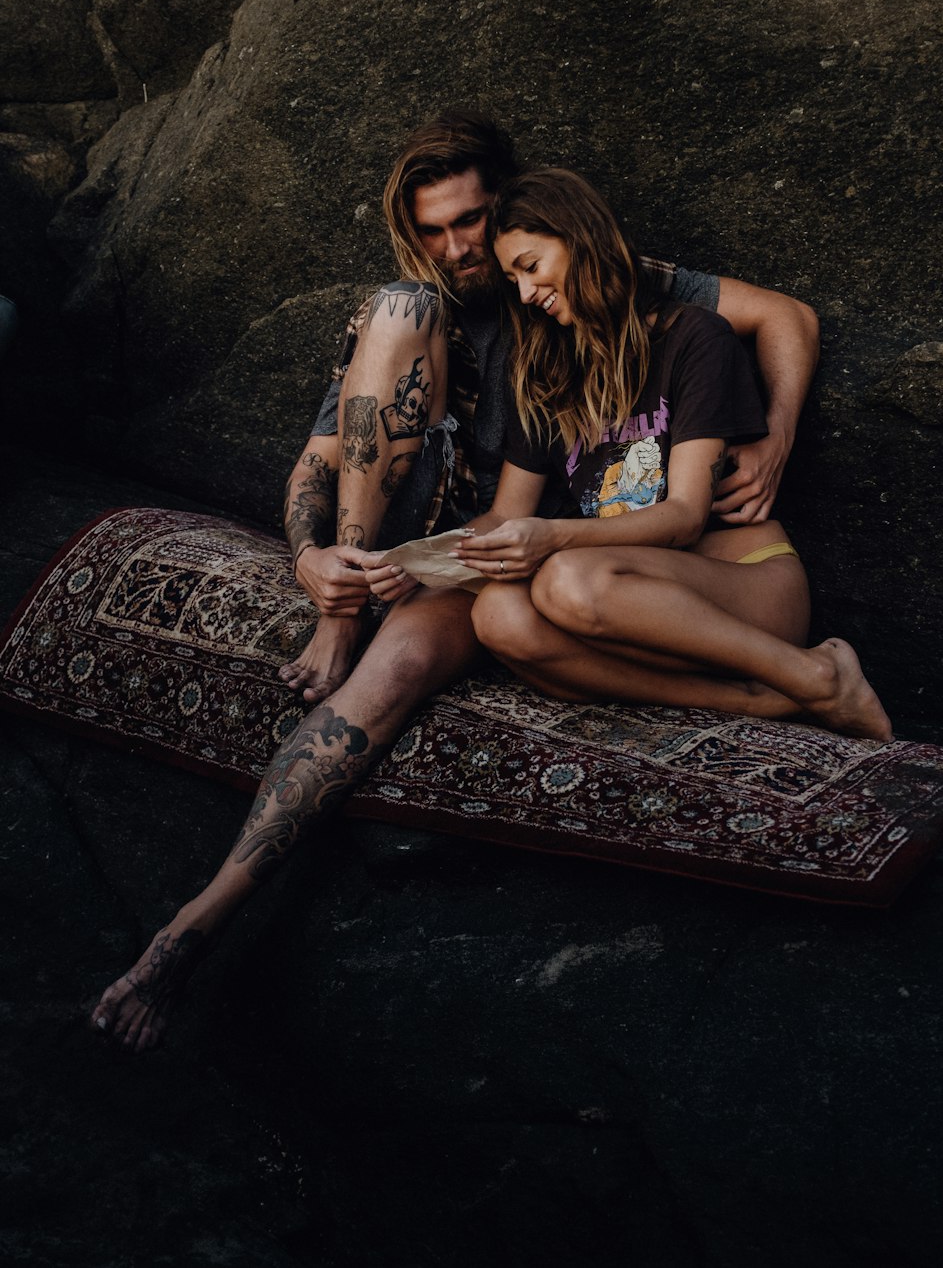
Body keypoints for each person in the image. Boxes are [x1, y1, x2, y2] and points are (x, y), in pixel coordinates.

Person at [90, 111, 819, 1050]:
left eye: (474, 221)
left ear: (517, 212)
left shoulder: (585, 290)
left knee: (388, 687)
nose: (461, 247)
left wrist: (776, 438)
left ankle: (193, 926)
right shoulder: (413, 301)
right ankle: (334, 621)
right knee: (401, 310)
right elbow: (315, 461)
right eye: (435, 229)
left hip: (510, 544)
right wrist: (316, 559)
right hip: (410, 524)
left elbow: (784, 317)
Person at [452, 168, 891, 740]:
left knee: (565, 580)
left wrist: (552, 536)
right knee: (496, 616)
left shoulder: (694, 339)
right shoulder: (544, 373)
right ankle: (759, 701)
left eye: (531, 268)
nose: (527, 295)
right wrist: (415, 566)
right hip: (621, 603)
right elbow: (506, 515)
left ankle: (814, 673)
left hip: (743, 587)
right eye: (513, 280)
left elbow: (685, 518)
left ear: (581, 239)